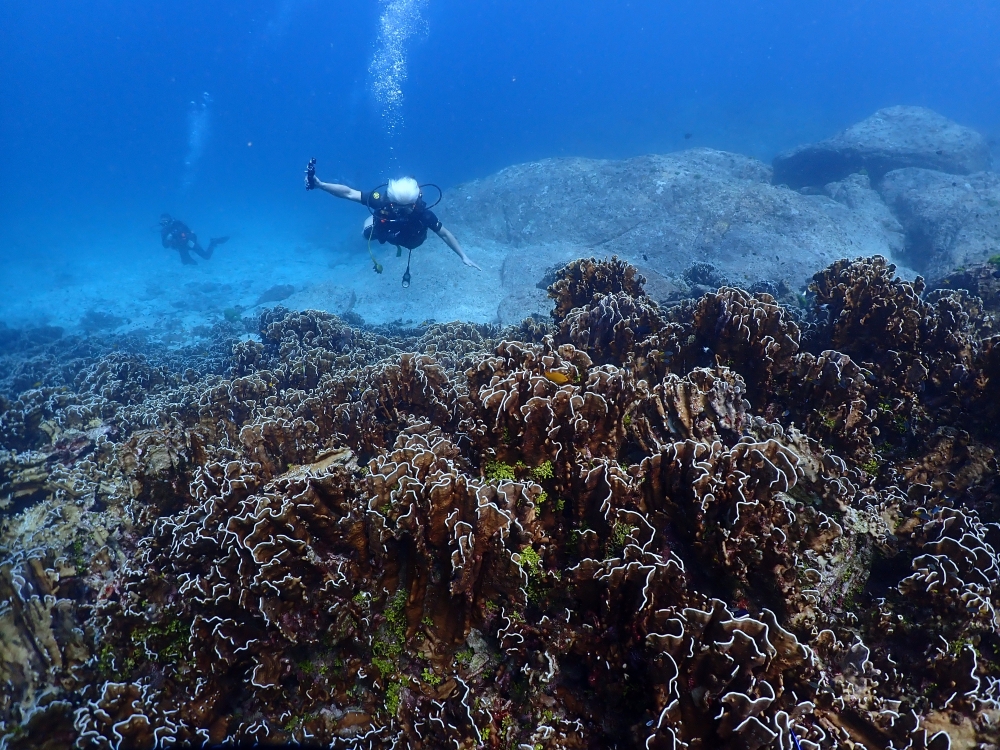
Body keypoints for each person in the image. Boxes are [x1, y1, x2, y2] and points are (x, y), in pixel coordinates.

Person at [304, 159, 481, 283]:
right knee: (367, 233)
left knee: (407, 240)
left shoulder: (422, 214)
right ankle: (373, 224)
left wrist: (463, 256)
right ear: (391, 200)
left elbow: (444, 233)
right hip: (386, 231)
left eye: (408, 208)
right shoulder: (382, 201)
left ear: (415, 203)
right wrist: (320, 185)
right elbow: (349, 193)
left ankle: (377, 226)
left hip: (410, 240)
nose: (403, 212)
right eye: (398, 207)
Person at [159, 214, 228, 266]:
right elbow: (165, 246)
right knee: (185, 262)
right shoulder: (164, 231)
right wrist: (168, 238)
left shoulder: (178, 224)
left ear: (170, 220)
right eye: (163, 222)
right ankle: (189, 260)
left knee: (206, 256)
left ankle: (213, 242)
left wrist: (191, 241)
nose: (165, 224)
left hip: (190, 243)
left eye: (166, 221)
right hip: (180, 247)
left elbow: (189, 232)